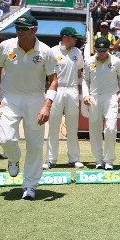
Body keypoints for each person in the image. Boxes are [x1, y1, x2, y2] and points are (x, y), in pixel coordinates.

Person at [0, 15, 57, 200]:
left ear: (34, 30)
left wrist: (47, 105)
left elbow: (53, 81)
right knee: (6, 140)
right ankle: (13, 158)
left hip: (35, 100)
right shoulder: (5, 46)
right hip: (10, 99)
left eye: (24, 28)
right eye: (18, 27)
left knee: (35, 146)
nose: (19, 31)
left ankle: (30, 185)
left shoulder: (45, 51)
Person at [43, 27, 84, 170]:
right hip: (56, 90)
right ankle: (50, 159)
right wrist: (46, 92)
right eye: (74, 37)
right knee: (53, 126)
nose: (76, 39)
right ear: (65, 36)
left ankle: (74, 159)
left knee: (72, 127)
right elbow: (45, 73)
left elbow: (80, 73)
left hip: (72, 90)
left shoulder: (77, 52)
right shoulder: (52, 51)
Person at [82, 36, 120, 170]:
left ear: (109, 49)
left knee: (111, 129)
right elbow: (85, 80)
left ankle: (109, 160)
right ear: (95, 49)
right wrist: (86, 95)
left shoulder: (116, 61)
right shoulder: (89, 62)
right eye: (99, 50)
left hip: (111, 98)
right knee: (95, 130)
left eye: (104, 50)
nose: (101, 53)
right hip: (94, 98)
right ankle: (98, 160)